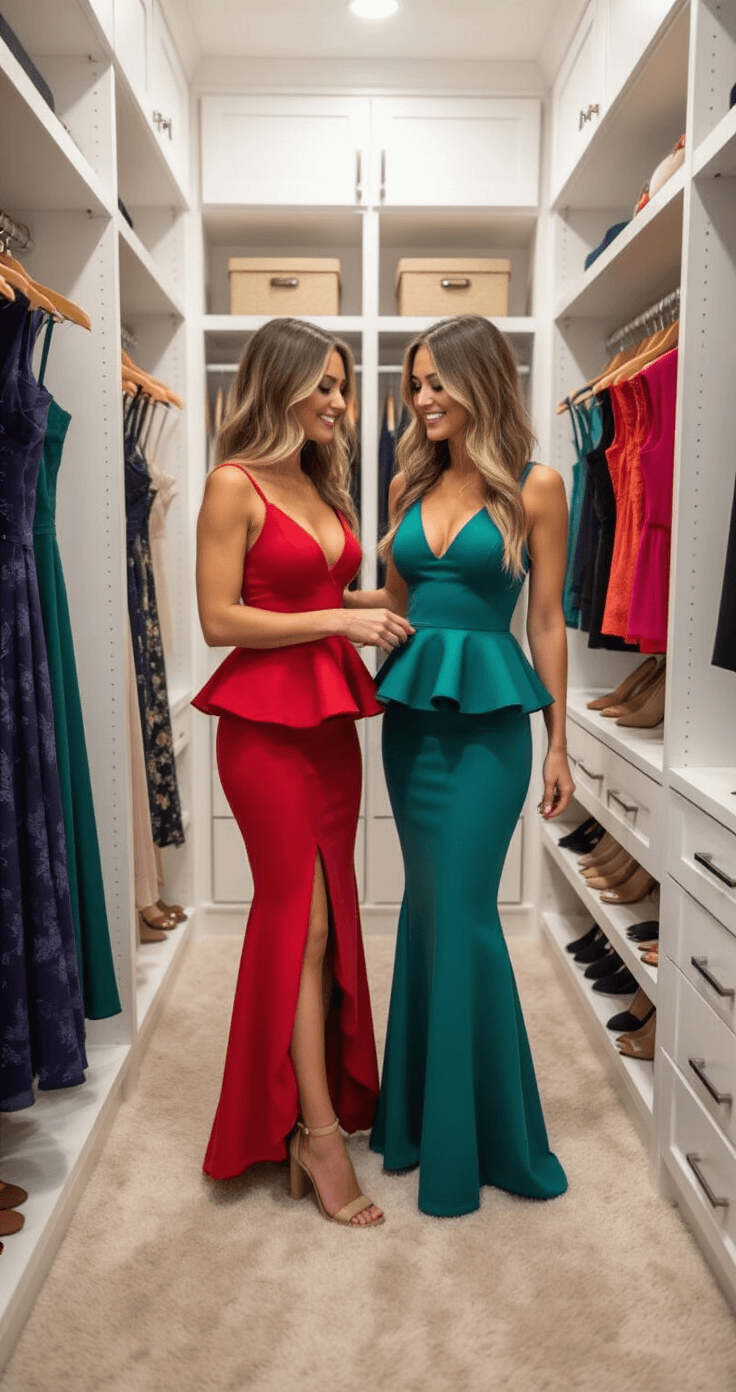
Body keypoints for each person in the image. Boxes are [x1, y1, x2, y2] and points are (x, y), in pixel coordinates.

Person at [345, 314, 573, 1216]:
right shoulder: (409, 483)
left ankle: (487, 1142)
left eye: (440, 379)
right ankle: (420, 1123)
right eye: (418, 382)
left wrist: (561, 740)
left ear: (482, 380)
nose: (425, 396)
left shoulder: (537, 486)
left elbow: (547, 619)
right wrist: (306, 595)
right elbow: (400, 601)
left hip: (489, 730)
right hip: (412, 723)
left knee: (468, 913)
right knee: (428, 912)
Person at [193, 318, 412, 1227]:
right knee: (303, 922)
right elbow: (220, 619)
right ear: (275, 382)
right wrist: (338, 625)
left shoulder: (322, 483)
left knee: (330, 916)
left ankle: (306, 1116)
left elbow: (326, 593)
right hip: (262, 728)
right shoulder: (232, 483)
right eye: (322, 384)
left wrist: (392, 603)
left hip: (327, 725)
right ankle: (316, 1134)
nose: (336, 401)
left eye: (342, 385)